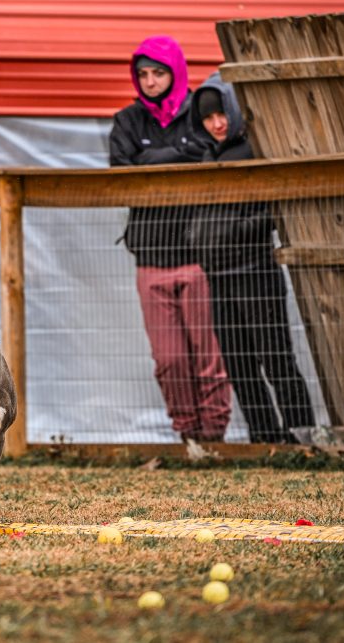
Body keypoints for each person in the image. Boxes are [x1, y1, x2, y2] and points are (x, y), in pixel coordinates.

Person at [109, 35, 232, 442]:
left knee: (207, 354)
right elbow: (120, 170)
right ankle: (189, 435)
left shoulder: (199, 112)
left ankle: (214, 434)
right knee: (170, 359)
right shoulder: (127, 120)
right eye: (142, 74)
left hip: (197, 255)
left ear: (175, 73)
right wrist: (176, 155)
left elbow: (207, 151)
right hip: (149, 257)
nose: (149, 81)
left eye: (158, 73)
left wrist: (149, 160)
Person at [187, 73, 315, 443]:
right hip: (219, 276)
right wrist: (198, 238)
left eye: (221, 113)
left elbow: (273, 210)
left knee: (275, 358)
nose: (216, 123)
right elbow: (198, 217)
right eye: (208, 117)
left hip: (256, 272)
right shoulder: (207, 156)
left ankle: (301, 434)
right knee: (239, 364)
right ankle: (264, 437)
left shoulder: (256, 152)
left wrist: (231, 234)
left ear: (235, 110)